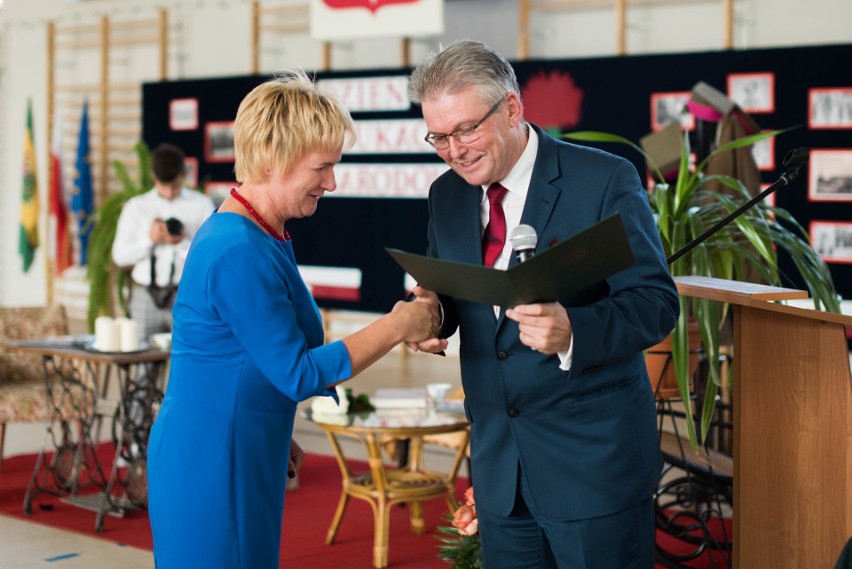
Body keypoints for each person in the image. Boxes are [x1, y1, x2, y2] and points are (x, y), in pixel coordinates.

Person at [146, 70, 440, 569]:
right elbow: (297, 372)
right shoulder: (238, 248)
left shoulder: (261, 232)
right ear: (271, 161)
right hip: (213, 459)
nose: (333, 181)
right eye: (322, 167)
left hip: (239, 442)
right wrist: (397, 325)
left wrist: (275, 433)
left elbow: (249, 356)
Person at [407, 40, 680, 568]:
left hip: (593, 468)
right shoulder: (446, 194)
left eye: (465, 130)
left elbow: (654, 302)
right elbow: (454, 291)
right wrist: (431, 315)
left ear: (511, 108)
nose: (454, 149)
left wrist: (573, 331)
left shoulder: (602, 179)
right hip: (499, 472)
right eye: (438, 137)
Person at [112, 143, 215, 341]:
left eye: (175, 186)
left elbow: (208, 260)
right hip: (145, 296)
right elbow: (120, 256)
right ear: (153, 177)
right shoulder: (137, 207)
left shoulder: (201, 205)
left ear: (184, 174)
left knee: (188, 358)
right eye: (163, 186)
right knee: (142, 364)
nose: (168, 193)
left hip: (186, 295)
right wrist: (149, 240)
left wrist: (182, 243)